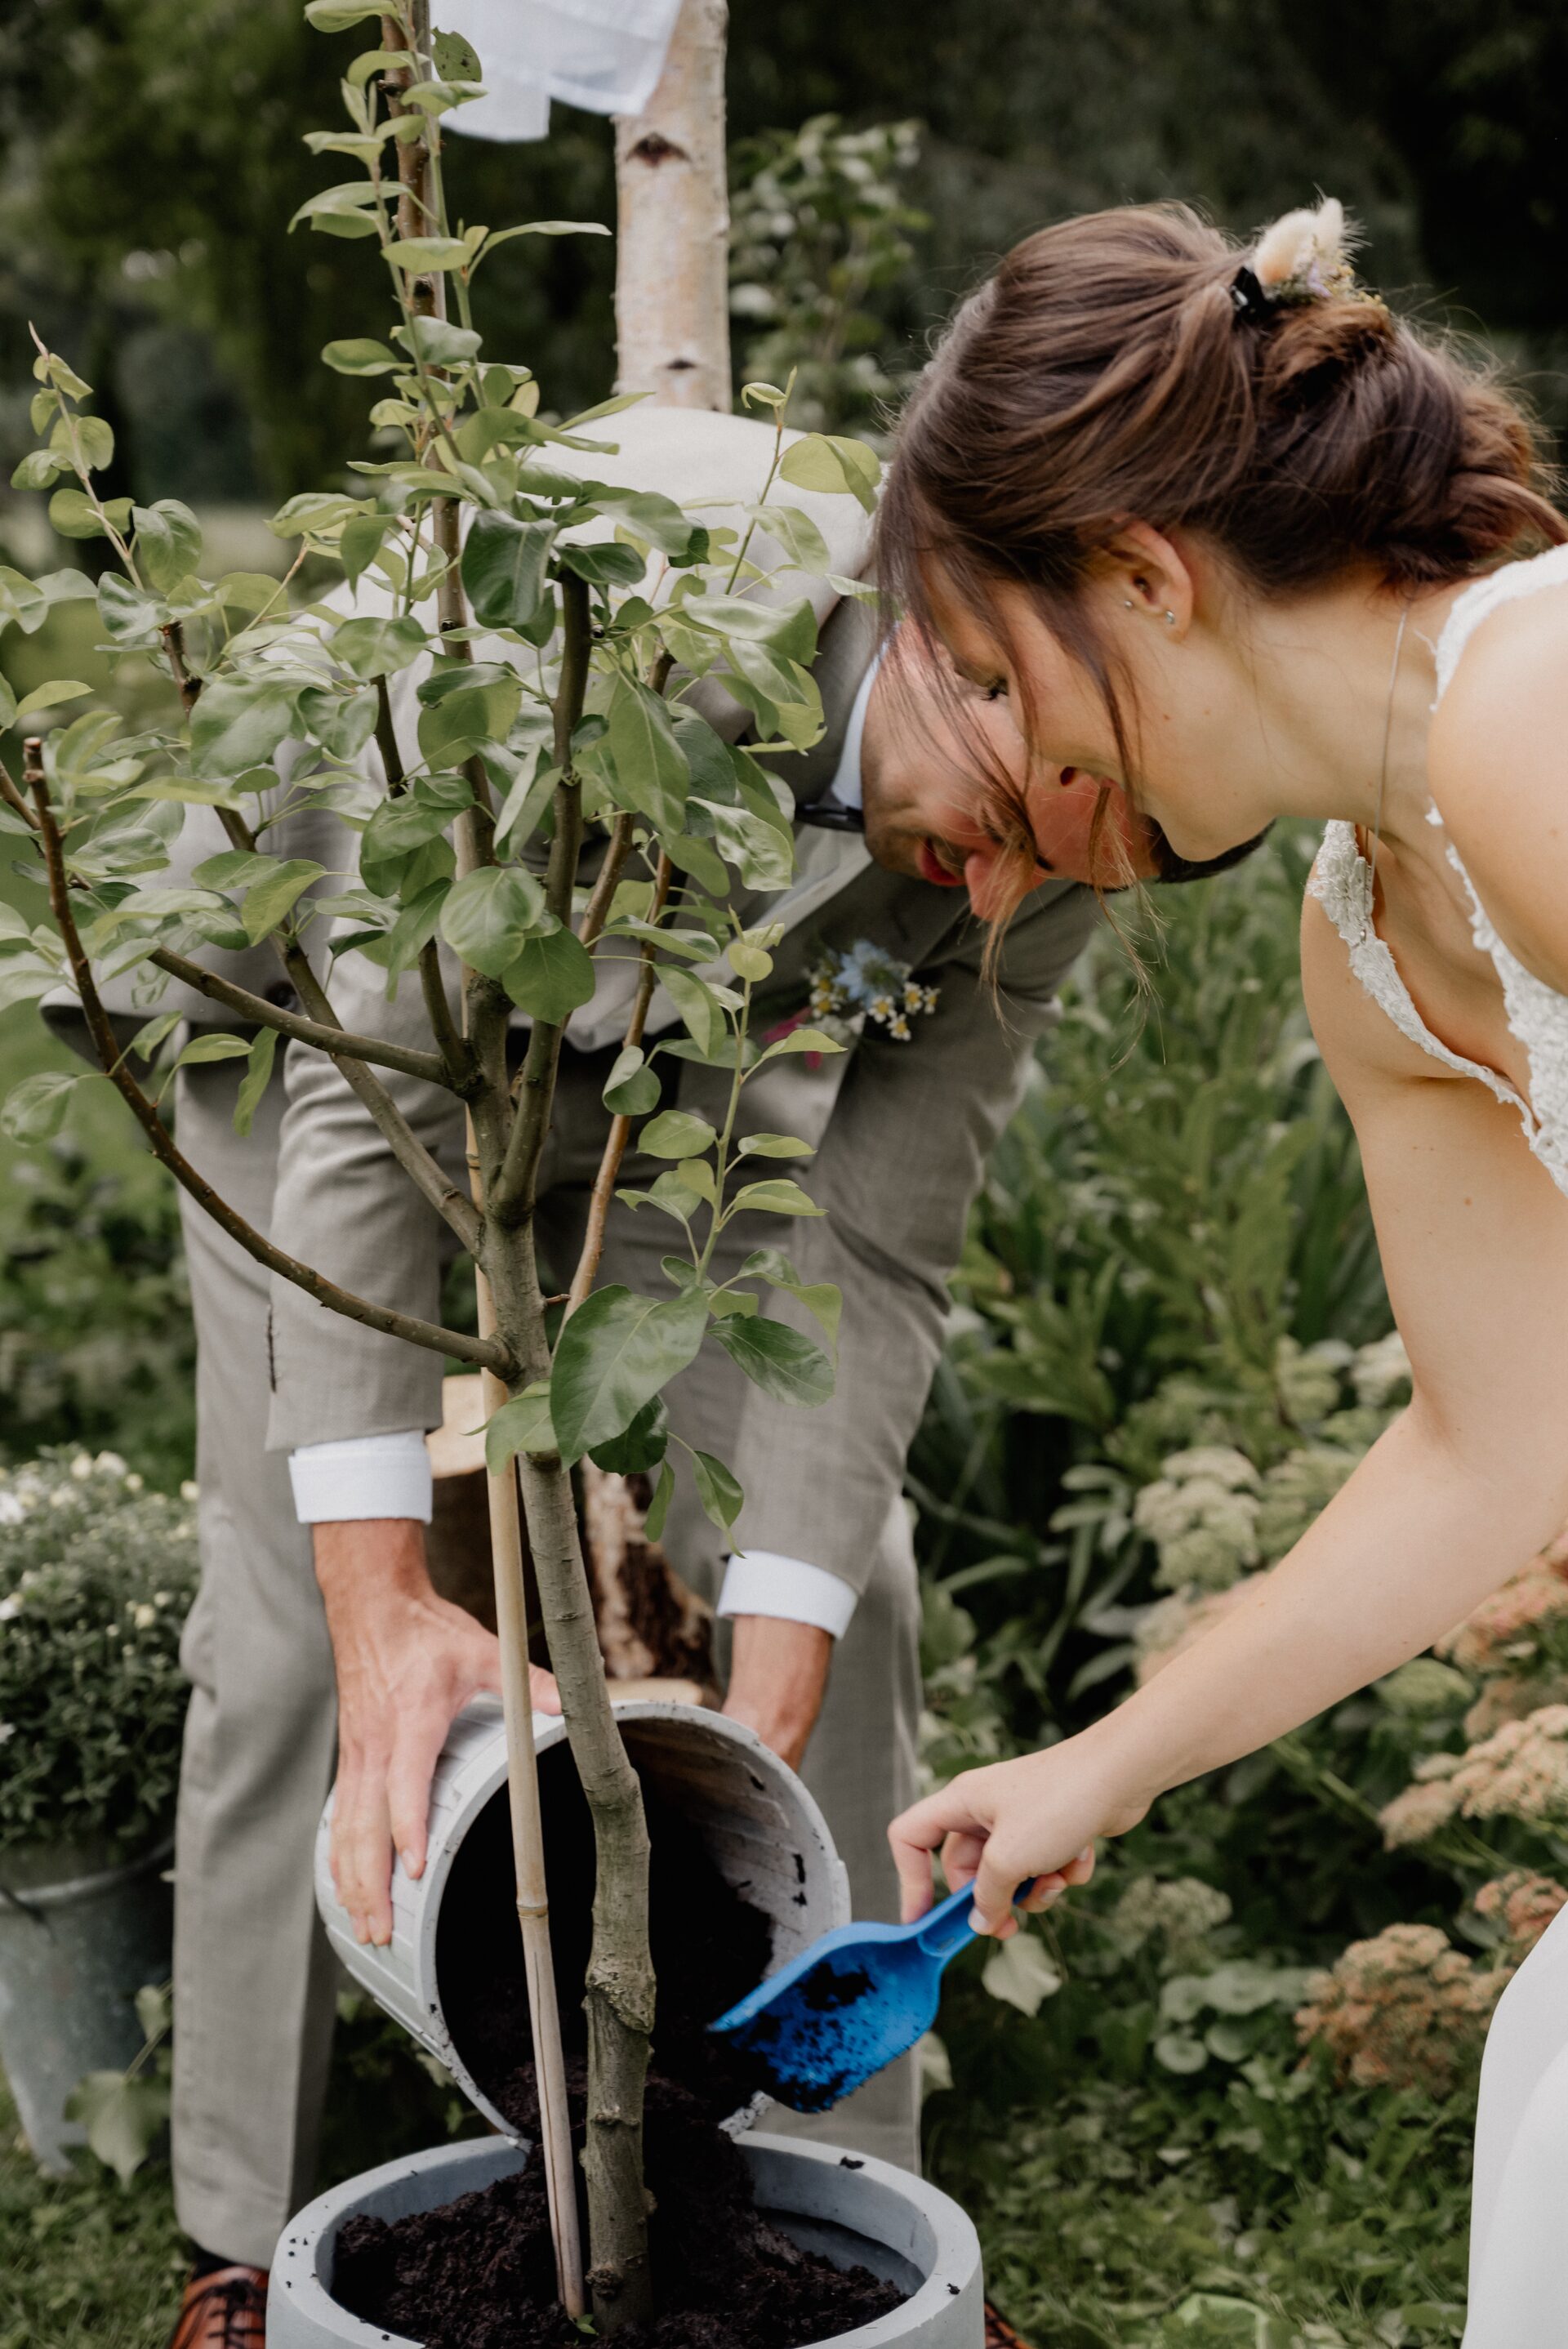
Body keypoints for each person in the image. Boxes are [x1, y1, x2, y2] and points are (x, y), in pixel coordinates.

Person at [137, 395, 1267, 2348]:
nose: (1003, 899)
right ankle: (246, 2223)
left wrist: (774, 1663)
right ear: (958, 629)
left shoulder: (1090, 799)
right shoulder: (641, 597)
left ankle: (853, 2187)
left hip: (646, 1070)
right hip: (311, 993)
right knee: (304, 1602)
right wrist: (392, 1592)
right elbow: (354, 1124)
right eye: (1003, 827)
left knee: (850, 1574)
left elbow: (879, 1232)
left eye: (1084, 860)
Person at [875, 197, 1568, 2347]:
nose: (1024, 760)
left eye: (998, 668)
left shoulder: (1529, 713)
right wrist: (1116, 1755)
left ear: (1146, 574)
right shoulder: (1369, 940)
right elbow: (1489, 1449)